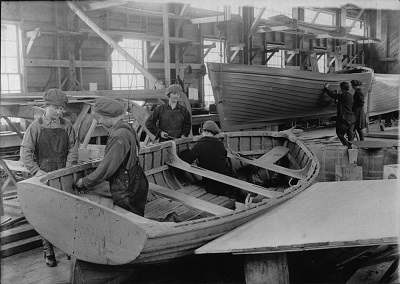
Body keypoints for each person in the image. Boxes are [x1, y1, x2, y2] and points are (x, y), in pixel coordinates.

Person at [20, 89, 78, 267]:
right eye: (56, 108)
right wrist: (36, 171)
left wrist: (68, 171)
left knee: (68, 213)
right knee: (45, 216)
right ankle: (49, 251)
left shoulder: (67, 125)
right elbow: (25, 152)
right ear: (46, 106)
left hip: (64, 175)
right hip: (44, 178)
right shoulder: (36, 127)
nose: (60, 112)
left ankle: (70, 249)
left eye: (62, 109)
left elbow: (73, 149)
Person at [76, 98, 149, 216]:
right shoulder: (127, 128)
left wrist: (85, 182)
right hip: (137, 181)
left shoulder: (118, 135)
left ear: (108, 116)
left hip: (126, 188)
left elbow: (106, 168)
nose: (99, 122)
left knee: (130, 225)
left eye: (99, 118)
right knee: (136, 219)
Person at [179, 120, 247, 203]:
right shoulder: (220, 145)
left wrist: (186, 151)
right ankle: (244, 199)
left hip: (212, 187)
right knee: (236, 187)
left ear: (205, 131)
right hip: (228, 182)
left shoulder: (200, 144)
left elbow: (186, 160)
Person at [324, 82, 356, 148]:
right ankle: (350, 146)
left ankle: (347, 146)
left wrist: (326, 88)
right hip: (351, 118)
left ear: (341, 88)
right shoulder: (350, 95)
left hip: (344, 118)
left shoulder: (342, 96)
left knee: (340, 134)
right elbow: (346, 103)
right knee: (350, 133)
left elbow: (332, 95)